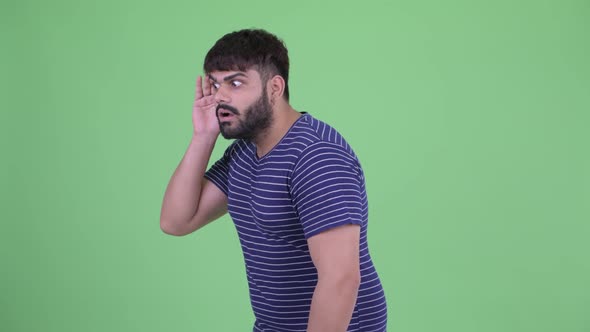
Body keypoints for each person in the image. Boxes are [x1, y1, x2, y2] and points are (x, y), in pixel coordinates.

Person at [160, 28, 387, 332]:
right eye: (214, 84)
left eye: (236, 83)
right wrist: (203, 136)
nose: (220, 96)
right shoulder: (244, 151)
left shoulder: (316, 156)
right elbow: (177, 221)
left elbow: (341, 279)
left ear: (274, 88)